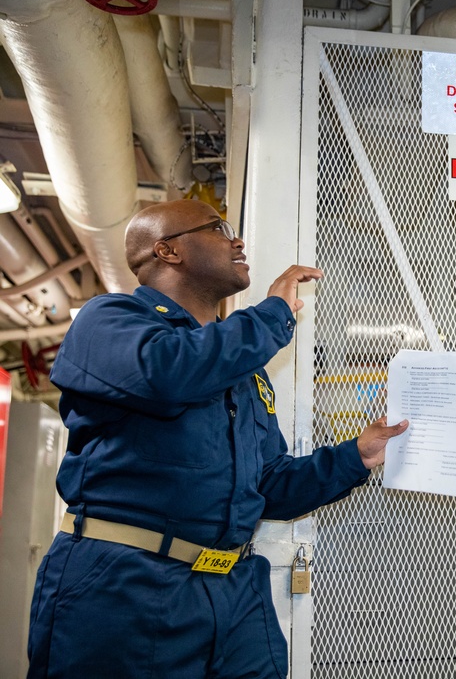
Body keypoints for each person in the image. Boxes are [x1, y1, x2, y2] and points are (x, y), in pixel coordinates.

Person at [27, 198, 408, 678]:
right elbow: (169, 374)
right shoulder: (108, 321)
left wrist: (356, 456)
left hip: (232, 591)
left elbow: (267, 485)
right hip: (125, 585)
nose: (238, 240)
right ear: (167, 251)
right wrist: (272, 315)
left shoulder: (240, 370)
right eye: (219, 228)